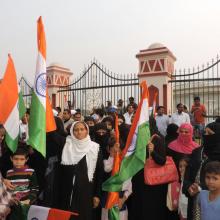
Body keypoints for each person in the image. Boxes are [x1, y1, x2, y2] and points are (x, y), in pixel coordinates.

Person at [57, 121, 103, 220]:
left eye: (82, 129)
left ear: (87, 131)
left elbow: (99, 173)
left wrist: (97, 195)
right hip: (67, 192)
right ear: (72, 132)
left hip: (86, 192)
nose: (79, 132)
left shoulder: (95, 147)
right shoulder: (66, 145)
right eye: (76, 130)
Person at [131, 117, 167, 220]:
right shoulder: (136, 137)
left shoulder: (157, 138)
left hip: (152, 182)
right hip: (138, 179)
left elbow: (162, 161)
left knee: (150, 210)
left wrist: (152, 151)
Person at [101, 137, 132, 220]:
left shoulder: (125, 166)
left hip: (120, 200)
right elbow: (107, 169)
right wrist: (112, 157)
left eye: (118, 150)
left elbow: (129, 187)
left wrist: (123, 199)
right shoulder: (105, 162)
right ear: (108, 149)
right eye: (113, 150)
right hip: (107, 200)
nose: (116, 152)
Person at [6, 147, 39, 219]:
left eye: (22, 159)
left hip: (27, 205)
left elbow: (35, 189)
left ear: (26, 160)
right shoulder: (9, 173)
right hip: (14, 206)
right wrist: (10, 198)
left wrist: (29, 199)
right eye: (16, 159)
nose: (18, 162)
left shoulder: (31, 172)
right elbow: (7, 189)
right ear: (11, 159)